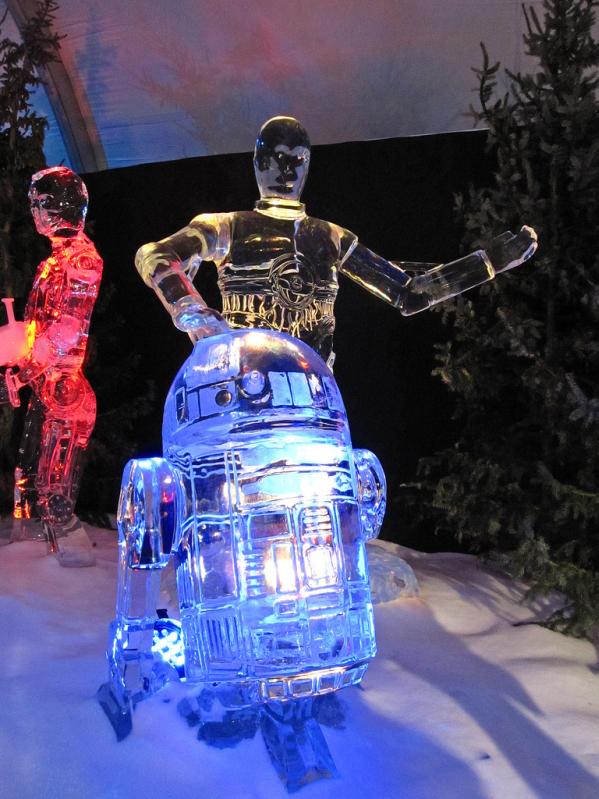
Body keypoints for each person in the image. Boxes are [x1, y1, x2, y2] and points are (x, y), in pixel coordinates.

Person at [135, 115, 537, 368]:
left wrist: (490, 262)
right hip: (243, 386)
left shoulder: (331, 237)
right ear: (258, 162)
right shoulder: (225, 227)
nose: (286, 171)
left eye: (297, 161)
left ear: (309, 166)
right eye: (276, 159)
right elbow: (154, 254)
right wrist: (191, 309)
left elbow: (409, 292)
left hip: (314, 394)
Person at [0, 166, 103, 566]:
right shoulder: (54, 262)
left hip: (64, 394)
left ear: (68, 206)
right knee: (27, 483)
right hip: (47, 390)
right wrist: (16, 350)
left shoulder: (82, 261)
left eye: (43, 202)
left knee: (53, 491)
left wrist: (24, 372)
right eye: (33, 203)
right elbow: (41, 327)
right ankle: (31, 562)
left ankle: (71, 568)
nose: (36, 212)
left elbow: (66, 333)